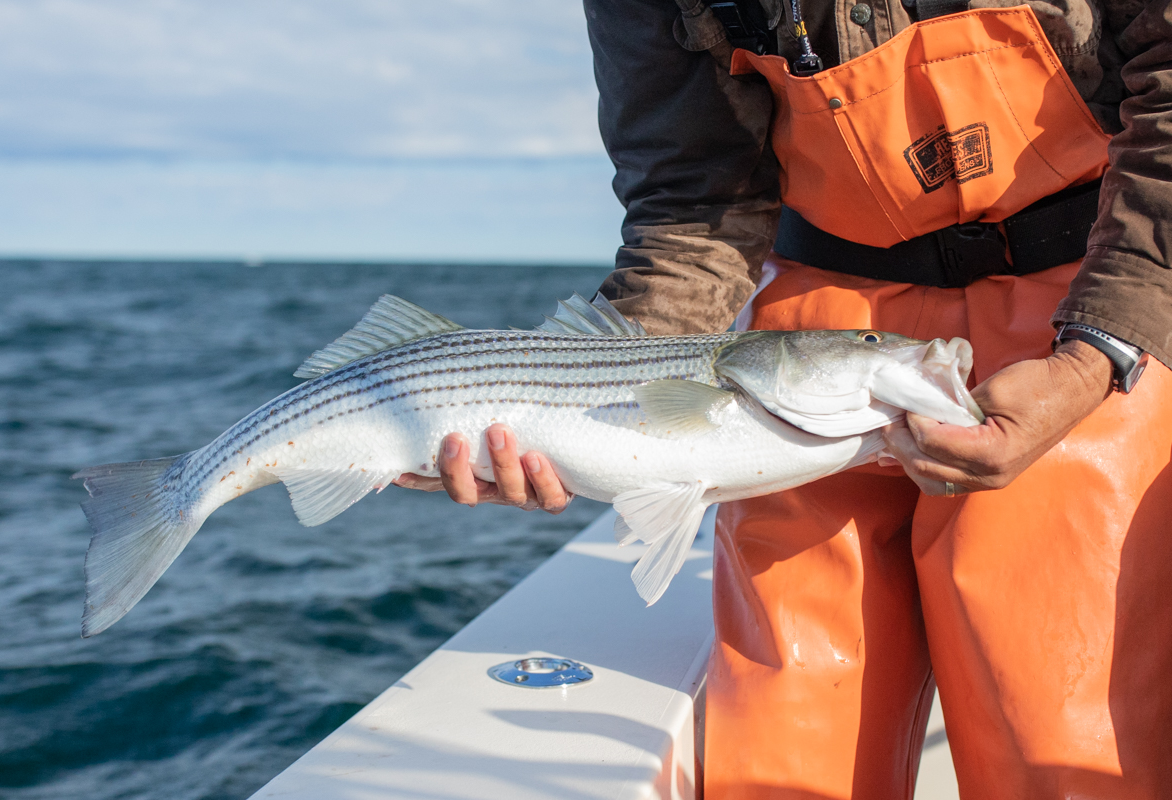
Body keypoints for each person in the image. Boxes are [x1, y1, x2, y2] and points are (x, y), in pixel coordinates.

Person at [397, 0, 1172, 796]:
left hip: (1086, 299)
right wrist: (565, 411)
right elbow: (692, 205)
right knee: (787, 739)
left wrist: (1096, 356)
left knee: (1063, 728)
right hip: (806, 334)